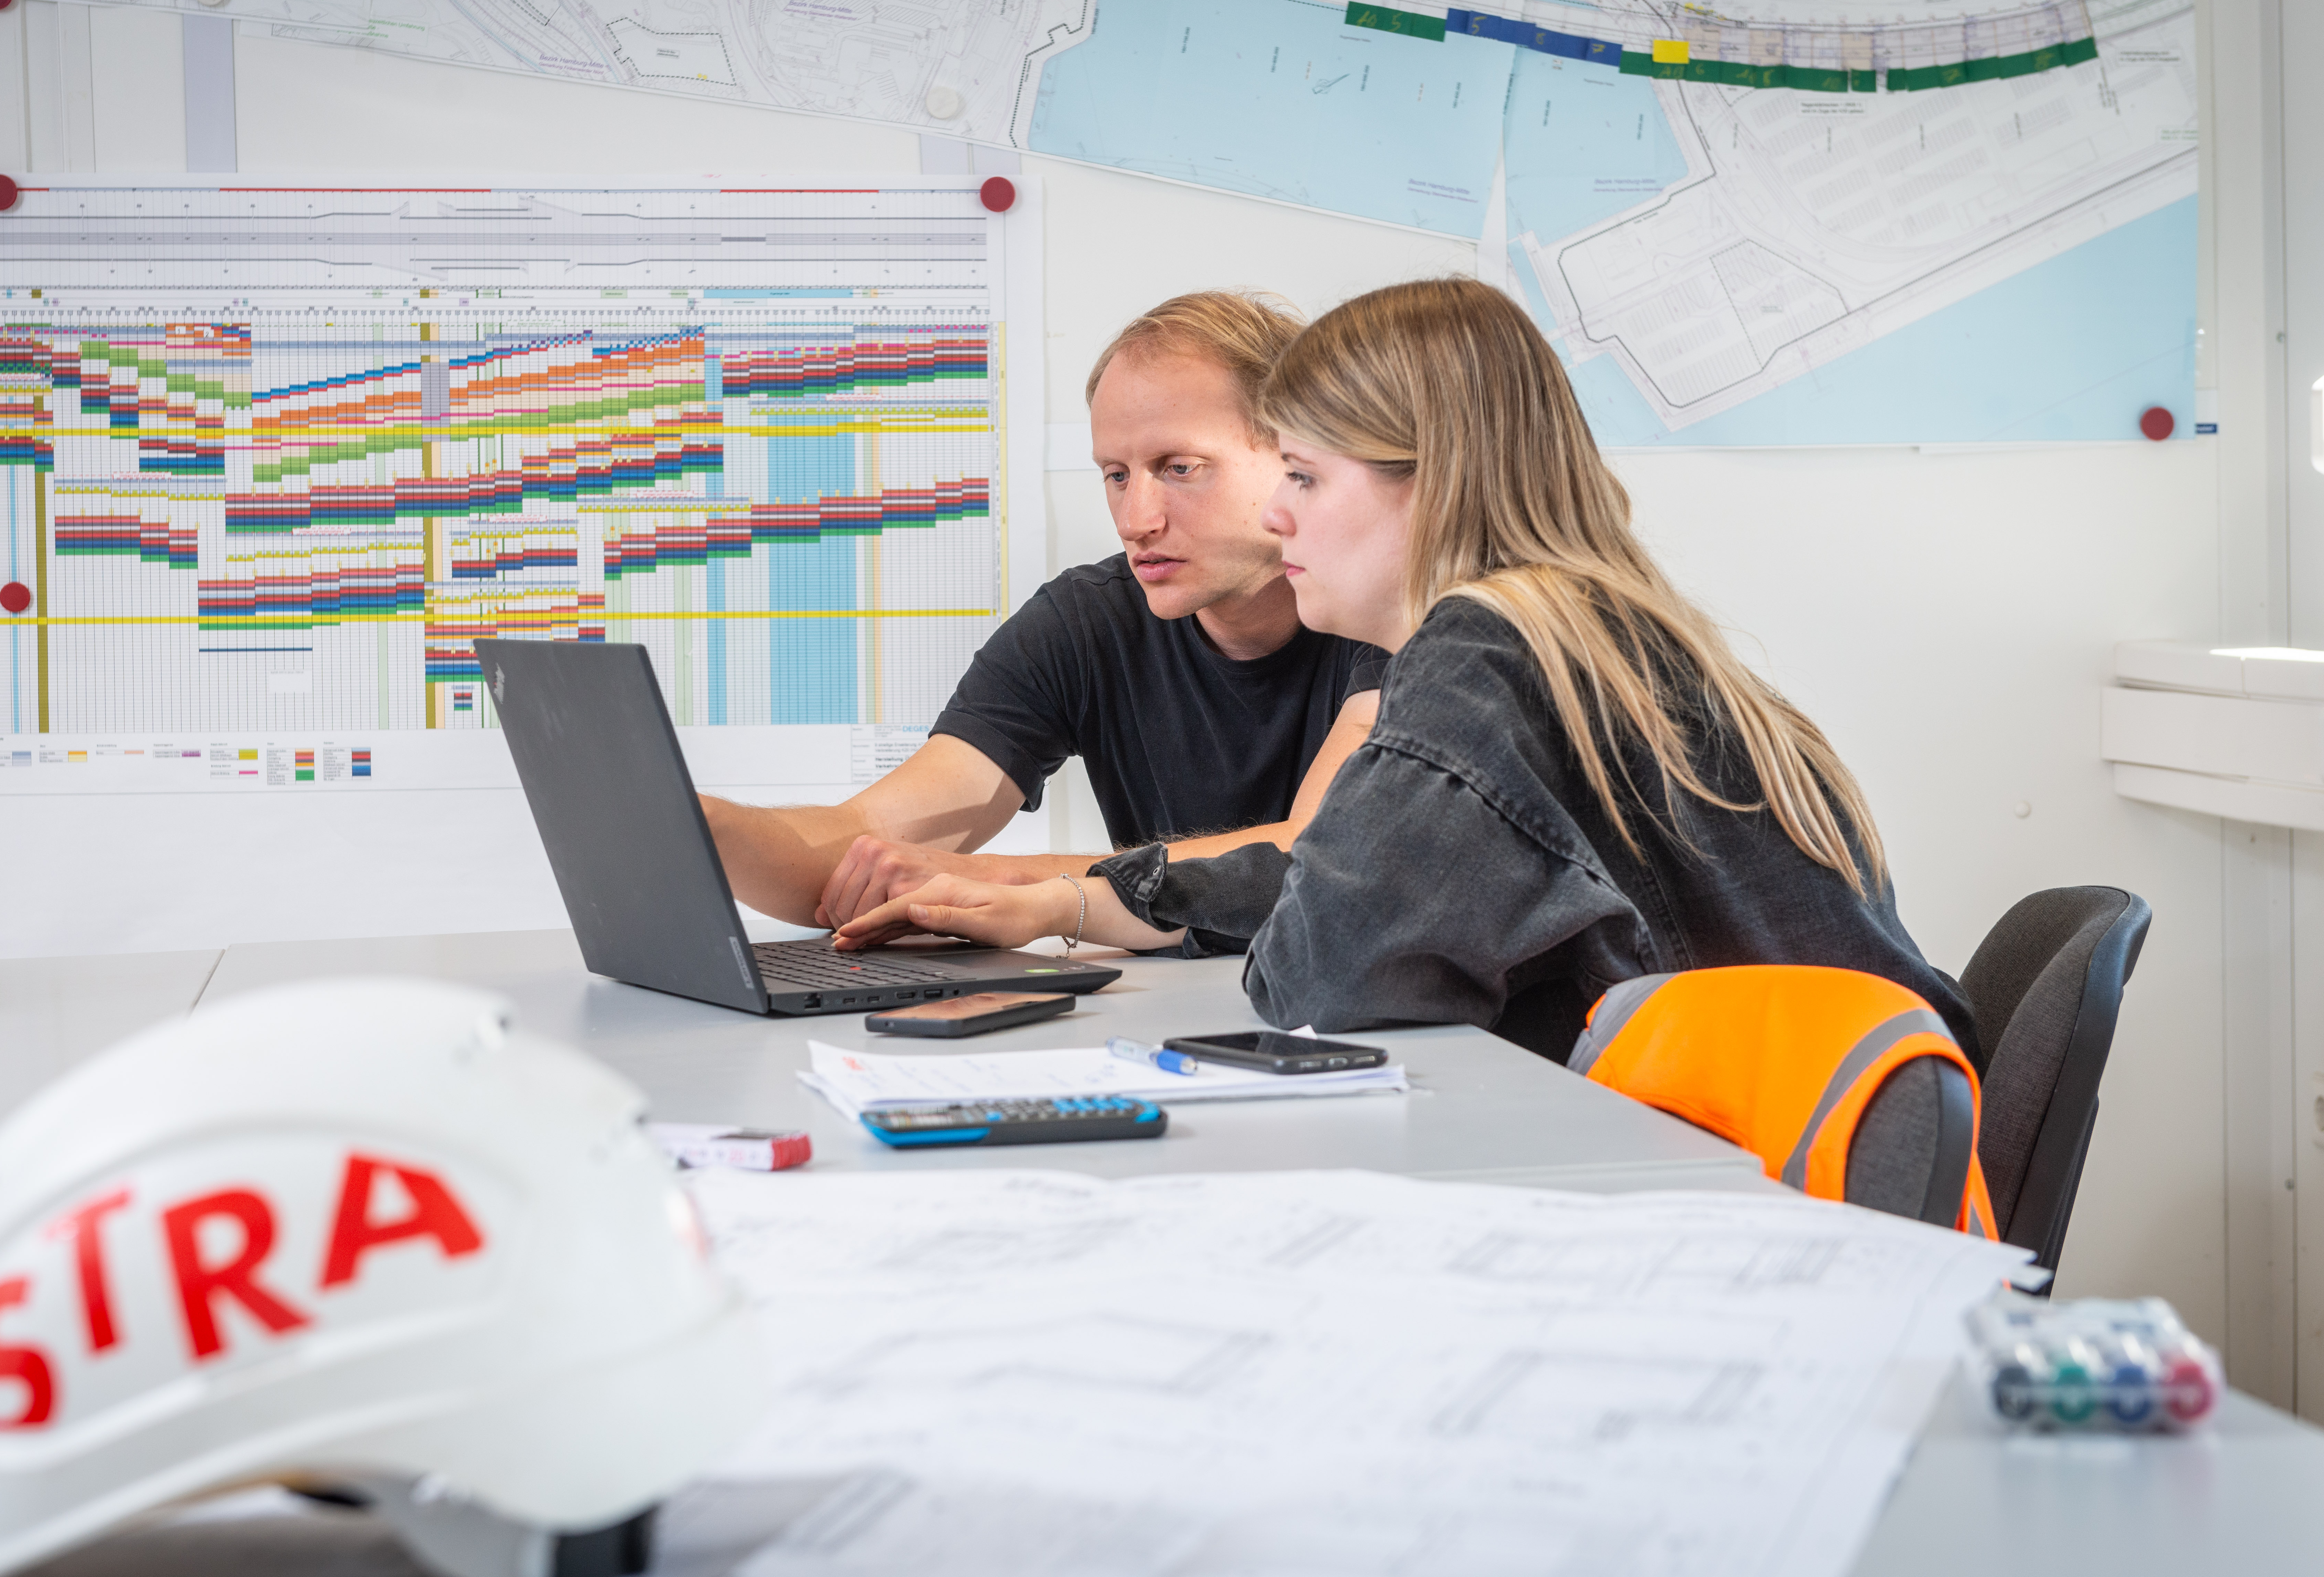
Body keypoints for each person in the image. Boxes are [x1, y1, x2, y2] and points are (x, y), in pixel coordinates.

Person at [834, 277, 1973, 1062]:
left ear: (1430, 482)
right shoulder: (1583, 634)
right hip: (1846, 1128)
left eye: (1308, 478)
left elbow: (1323, 979)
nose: (1276, 516)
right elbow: (1330, 872)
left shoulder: (1485, 651)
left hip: (1780, 1177)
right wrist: (1071, 903)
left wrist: (1076, 904)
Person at [702, 291, 1387, 934]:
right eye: (1116, 475)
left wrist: (1001, 882)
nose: (1135, 519)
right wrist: (694, 821)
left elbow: (1313, 853)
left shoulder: (1391, 613)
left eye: (1179, 467)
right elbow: (871, 849)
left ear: (1297, 457)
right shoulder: (1086, 622)